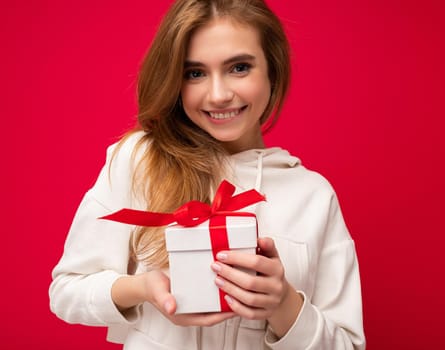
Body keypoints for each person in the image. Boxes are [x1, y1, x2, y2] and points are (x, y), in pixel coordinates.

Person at [49, 0, 366, 349]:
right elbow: (66, 292)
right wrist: (143, 289)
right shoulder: (139, 160)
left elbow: (348, 346)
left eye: (240, 67)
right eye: (195, 73)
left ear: (272, 71)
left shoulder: (313, 196)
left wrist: (284, 305)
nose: (218, 95)